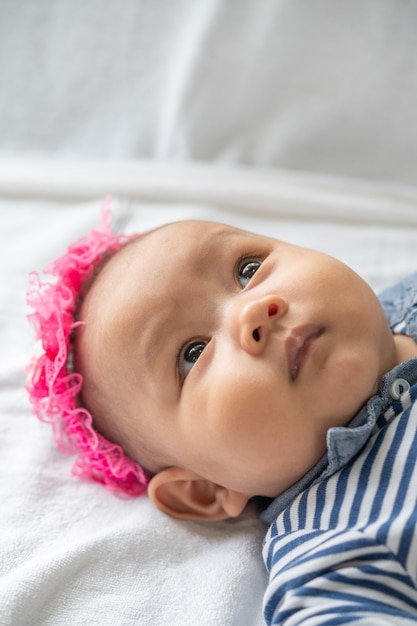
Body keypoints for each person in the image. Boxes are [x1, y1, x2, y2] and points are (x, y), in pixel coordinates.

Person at [27, 205, 417, 624]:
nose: (254, 310)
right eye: (192, 355)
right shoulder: (340, 546)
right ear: (203, 491)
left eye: (248, 269)